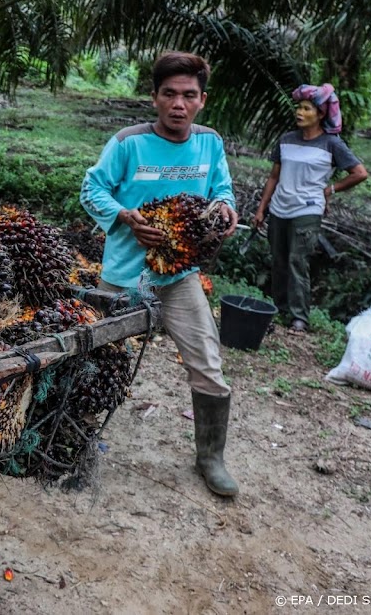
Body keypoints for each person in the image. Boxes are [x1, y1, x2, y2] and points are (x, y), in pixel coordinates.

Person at [81, 51, 240, 498]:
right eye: (169, 94)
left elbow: (221, 188)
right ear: (154, 97)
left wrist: (225, 208)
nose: (178, 104)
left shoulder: (209, 143)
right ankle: (77, 433)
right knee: (97, 359)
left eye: (188, 95)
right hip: (123, 275)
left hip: (178, 277)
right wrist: (126, 217)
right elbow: (91, 187)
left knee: (208, 364)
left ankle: (211, 457)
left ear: (202, 100)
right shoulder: (128, 143)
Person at [252, 84, 368, 335]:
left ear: (321, 114)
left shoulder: (332, 144)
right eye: (299, 107)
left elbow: (359, 173)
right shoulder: (286, 140)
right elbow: (274, 177)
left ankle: (299, 318)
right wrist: (262, 209)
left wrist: (331, 190)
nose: (300, 112)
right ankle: (279, 309)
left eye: (306, 109)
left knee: (297, 261)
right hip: (279, 209)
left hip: (307, 210)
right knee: (279, 261)